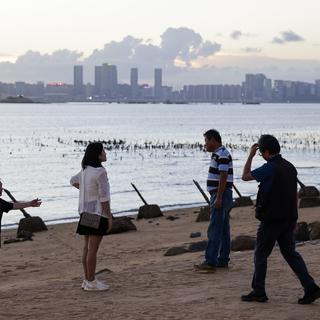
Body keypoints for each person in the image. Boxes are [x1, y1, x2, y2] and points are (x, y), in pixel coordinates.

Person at [241, 134, 320, 304]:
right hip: (289, 217)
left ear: (267, 152)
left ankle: (259, 291)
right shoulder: (290, 167)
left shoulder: (269, 168)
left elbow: (245, 176)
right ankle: (310, 287)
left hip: (271, 219)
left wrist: (250, 156)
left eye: (262, 153)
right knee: (291, 254)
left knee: (261, 254)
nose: (262, 155)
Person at [70, 142, 113, 291]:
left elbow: (72, 180)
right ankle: (91, 281)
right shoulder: (100, 172)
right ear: (98, 155)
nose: (105, 153)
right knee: (92, 250)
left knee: (86, 249)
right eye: (103, 151)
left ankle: (87, 280)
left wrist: (86, 191)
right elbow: (104, 197)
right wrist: (109, 216)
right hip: (97, 213)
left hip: (85, 211)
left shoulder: (85, 170)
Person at [194, 129, 233, 272]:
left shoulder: (221, 154)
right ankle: (222, 260)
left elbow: (223, 175)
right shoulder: (219, 154)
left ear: (213, 140)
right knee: (223, 229)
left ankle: (210, 261)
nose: (205, 144)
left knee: (215, 229)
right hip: (223, 194)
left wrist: (219, 197)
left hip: (220, 194)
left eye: (206, 141)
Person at [0, 180, 42, 246]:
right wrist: (30, 204)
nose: (2, 189)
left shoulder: (1, 203)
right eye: (0, 186)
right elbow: (14, 205)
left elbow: (14, 205)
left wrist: (30, 203)